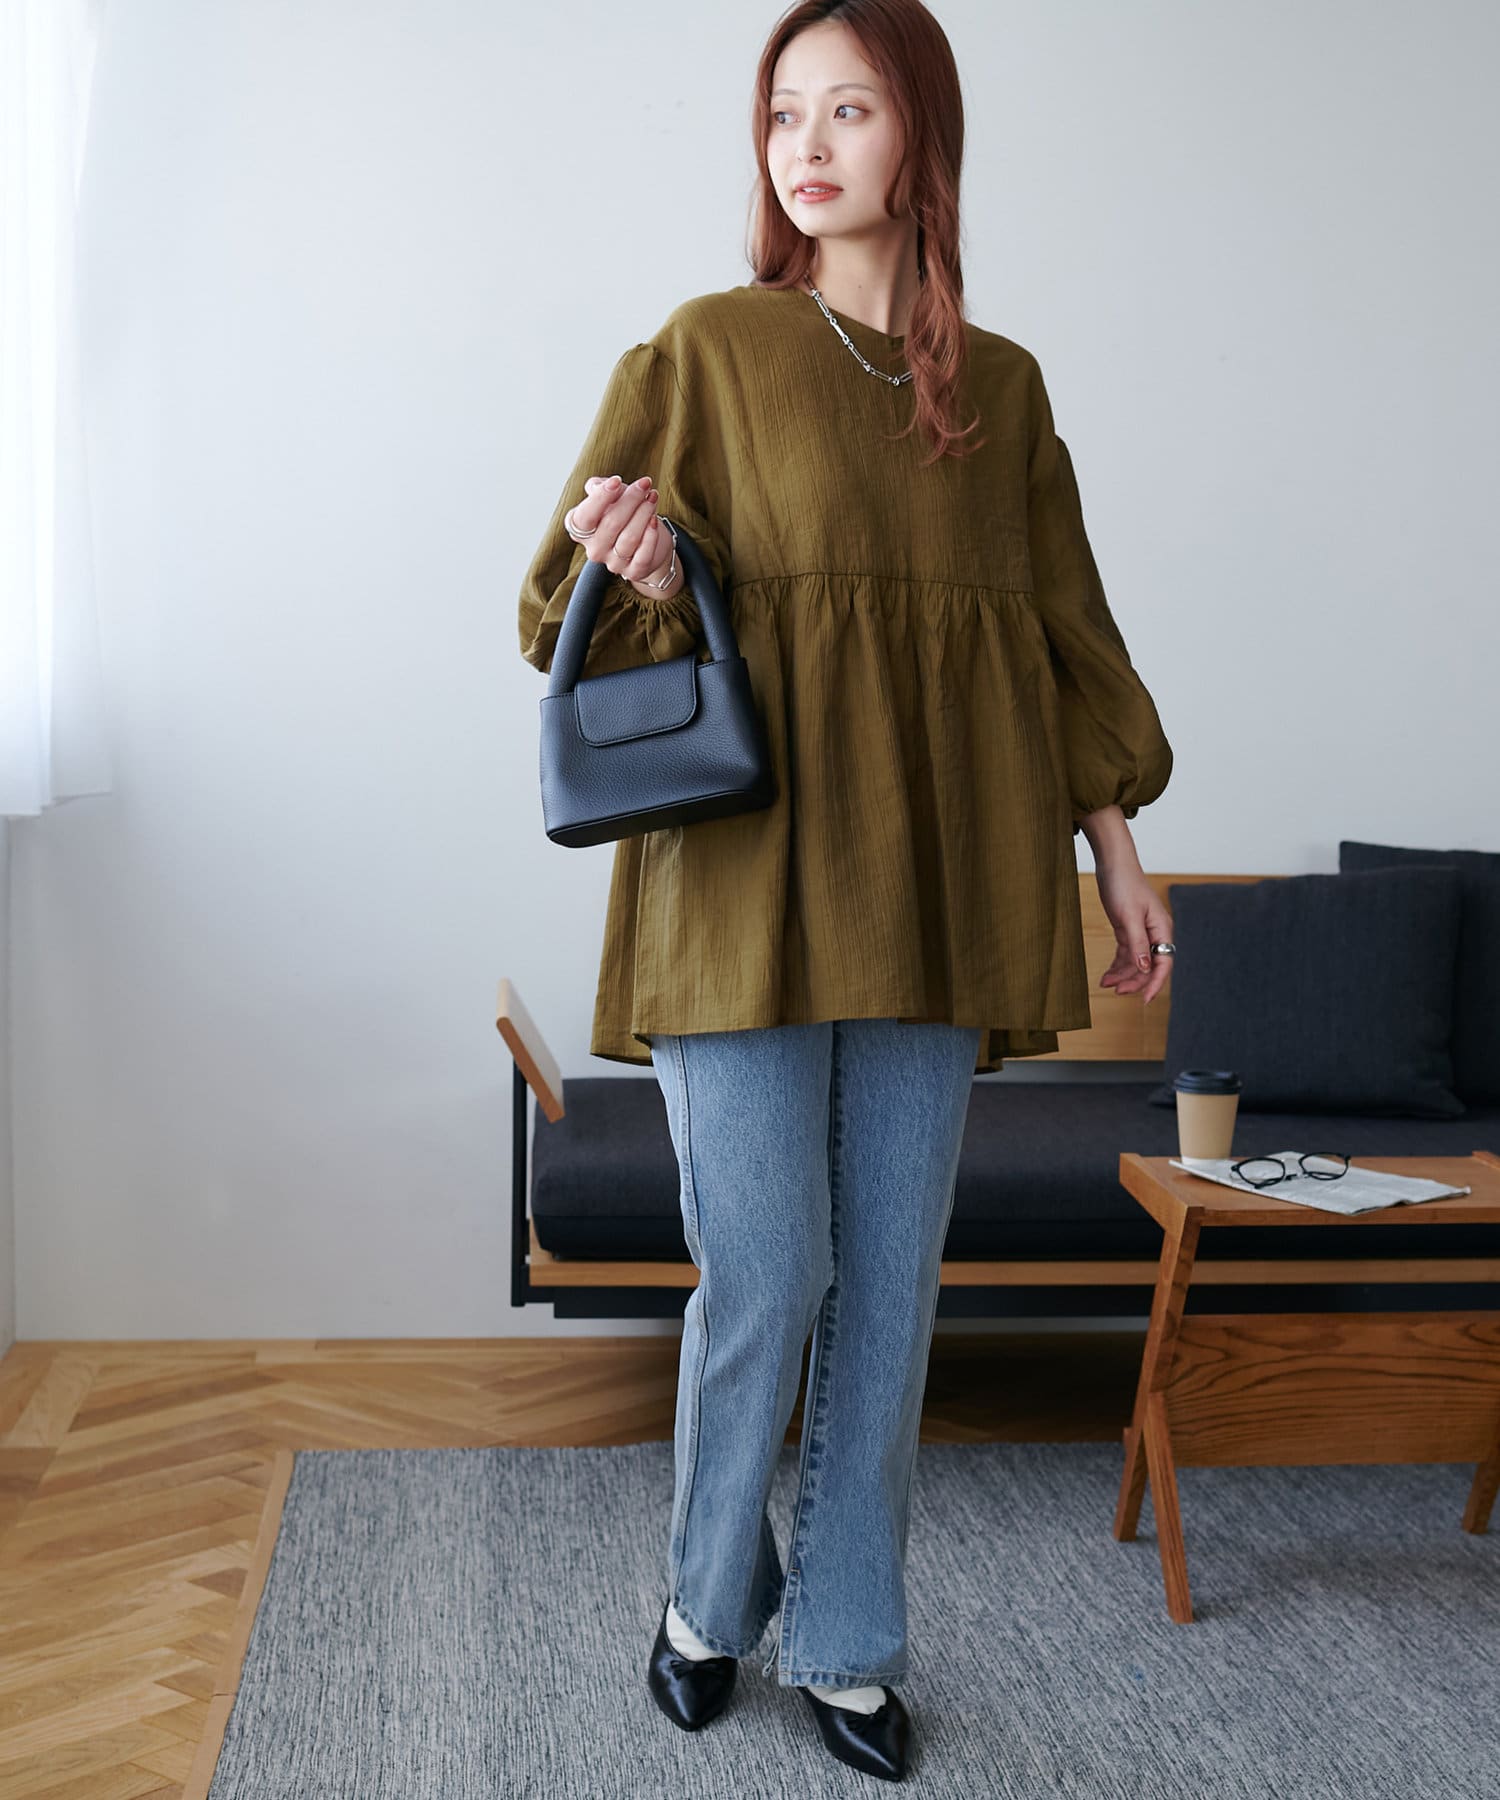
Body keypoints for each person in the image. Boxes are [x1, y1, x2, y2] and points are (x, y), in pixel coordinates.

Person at [518, 0, 1176, 1780]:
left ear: (922, 139)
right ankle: (705, 1599)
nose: (805, 145)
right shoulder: (710, 349)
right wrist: (644, 568)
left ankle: (852, 1639)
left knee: (890, 1286)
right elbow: (552, 613)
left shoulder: (1004, 392)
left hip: (936, 881)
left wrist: (1118, 851)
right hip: (735, 890)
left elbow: (1064, 637)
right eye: (782, 112)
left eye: (850, 109)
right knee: (770, 1272)